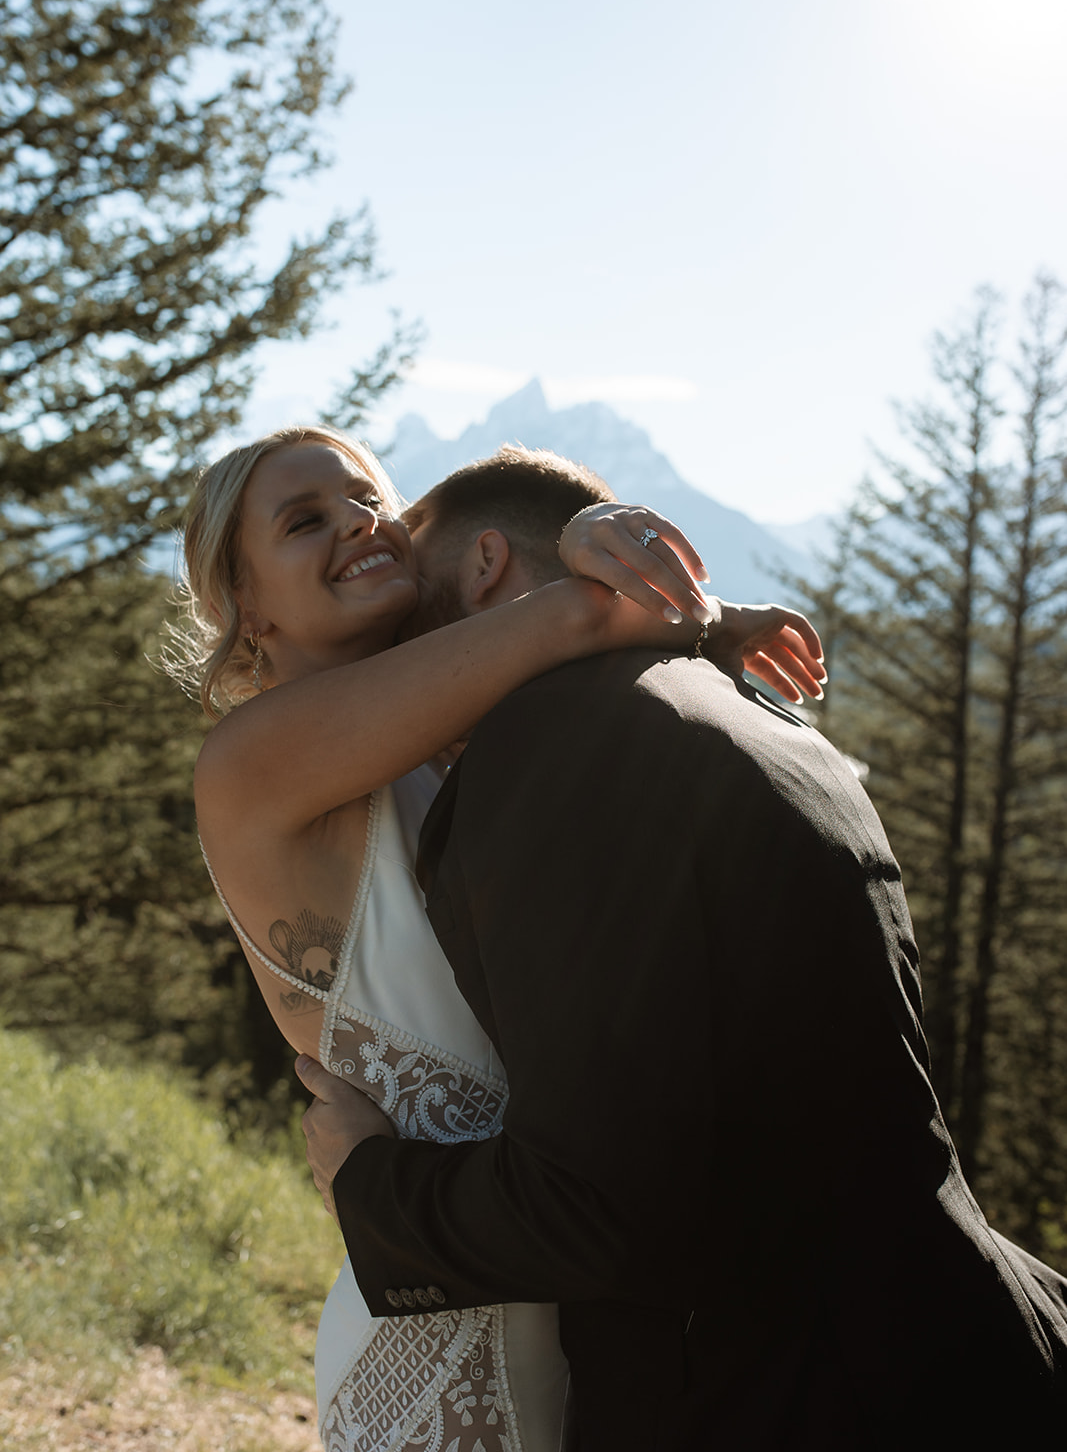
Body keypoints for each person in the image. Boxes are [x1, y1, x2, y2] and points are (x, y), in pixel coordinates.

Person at [299, 449, 1067, 1450]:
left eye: (412, 603)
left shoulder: (552, 749)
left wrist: (367, 1177)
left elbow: (594, 1206)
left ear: (484, 563)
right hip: (966, 1343)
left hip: (786, 1400)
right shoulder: (759, 715)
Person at [175, 425, 823, 1452]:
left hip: (598, 1310)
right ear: (245, 607)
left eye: (367, 500)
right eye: (305, 521)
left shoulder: (467, 741)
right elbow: (563, 619)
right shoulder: (248, 766)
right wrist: (606, 549)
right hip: (443, 1344)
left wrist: (634, 589)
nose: (355, 521)